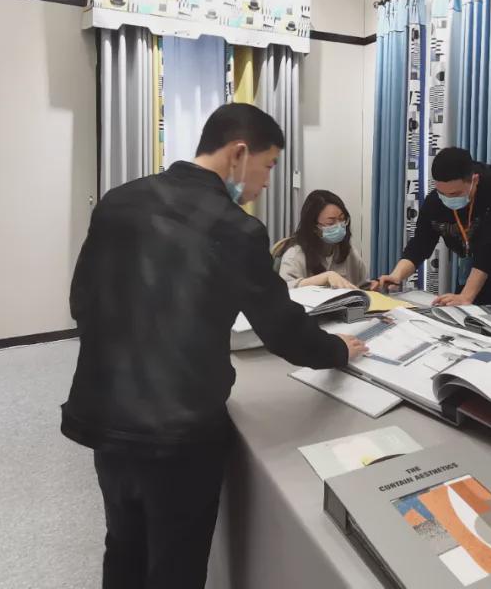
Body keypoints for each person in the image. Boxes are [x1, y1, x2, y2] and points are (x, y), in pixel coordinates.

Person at [61, 103, 368, 588]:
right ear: (238, 153)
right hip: (180, 431)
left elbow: (81, 300)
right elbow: (282, 329)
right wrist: (338, 351)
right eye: (268, 166)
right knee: (176, 565)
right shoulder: (235, 228)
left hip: (107, 416)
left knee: (123, 545)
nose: (266, 182)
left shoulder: (119, 201)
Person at [372, 147, 491, 310]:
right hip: (473, 271)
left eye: (454, 194)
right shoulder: (435, 202)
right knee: (465, 315)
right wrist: (396, 275)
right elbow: (420, 244)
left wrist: (466, 295)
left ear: (474, 180)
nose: (447, 199)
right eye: (441, 193)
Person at [278, 190, 367, 289]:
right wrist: (323, 278)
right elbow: (283, 289)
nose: (339, 226)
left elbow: (362, 285)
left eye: (342, 219)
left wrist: (372, 285)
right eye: (331, 223)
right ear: (314, 227)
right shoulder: (295, 255)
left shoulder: (349, 252)